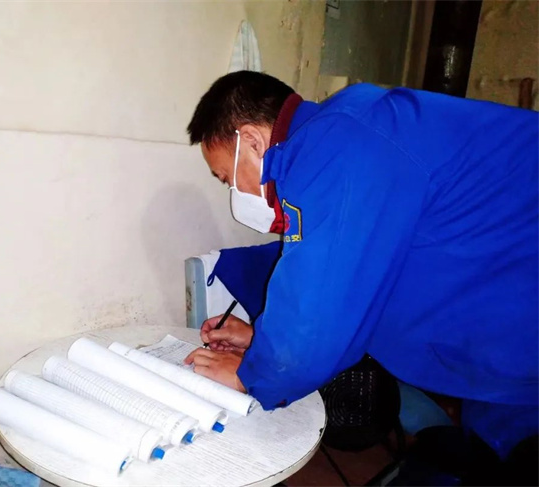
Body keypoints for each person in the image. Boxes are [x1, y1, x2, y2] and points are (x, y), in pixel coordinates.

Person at [183, 71, 538, 461]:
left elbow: (316, 317)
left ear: (252, 141)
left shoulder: (337, 147)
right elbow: (349, 290)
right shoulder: (351, 130)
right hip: (508, 335)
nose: (235, 192)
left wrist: (246, 375)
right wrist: (261, 342)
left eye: (226, 179)